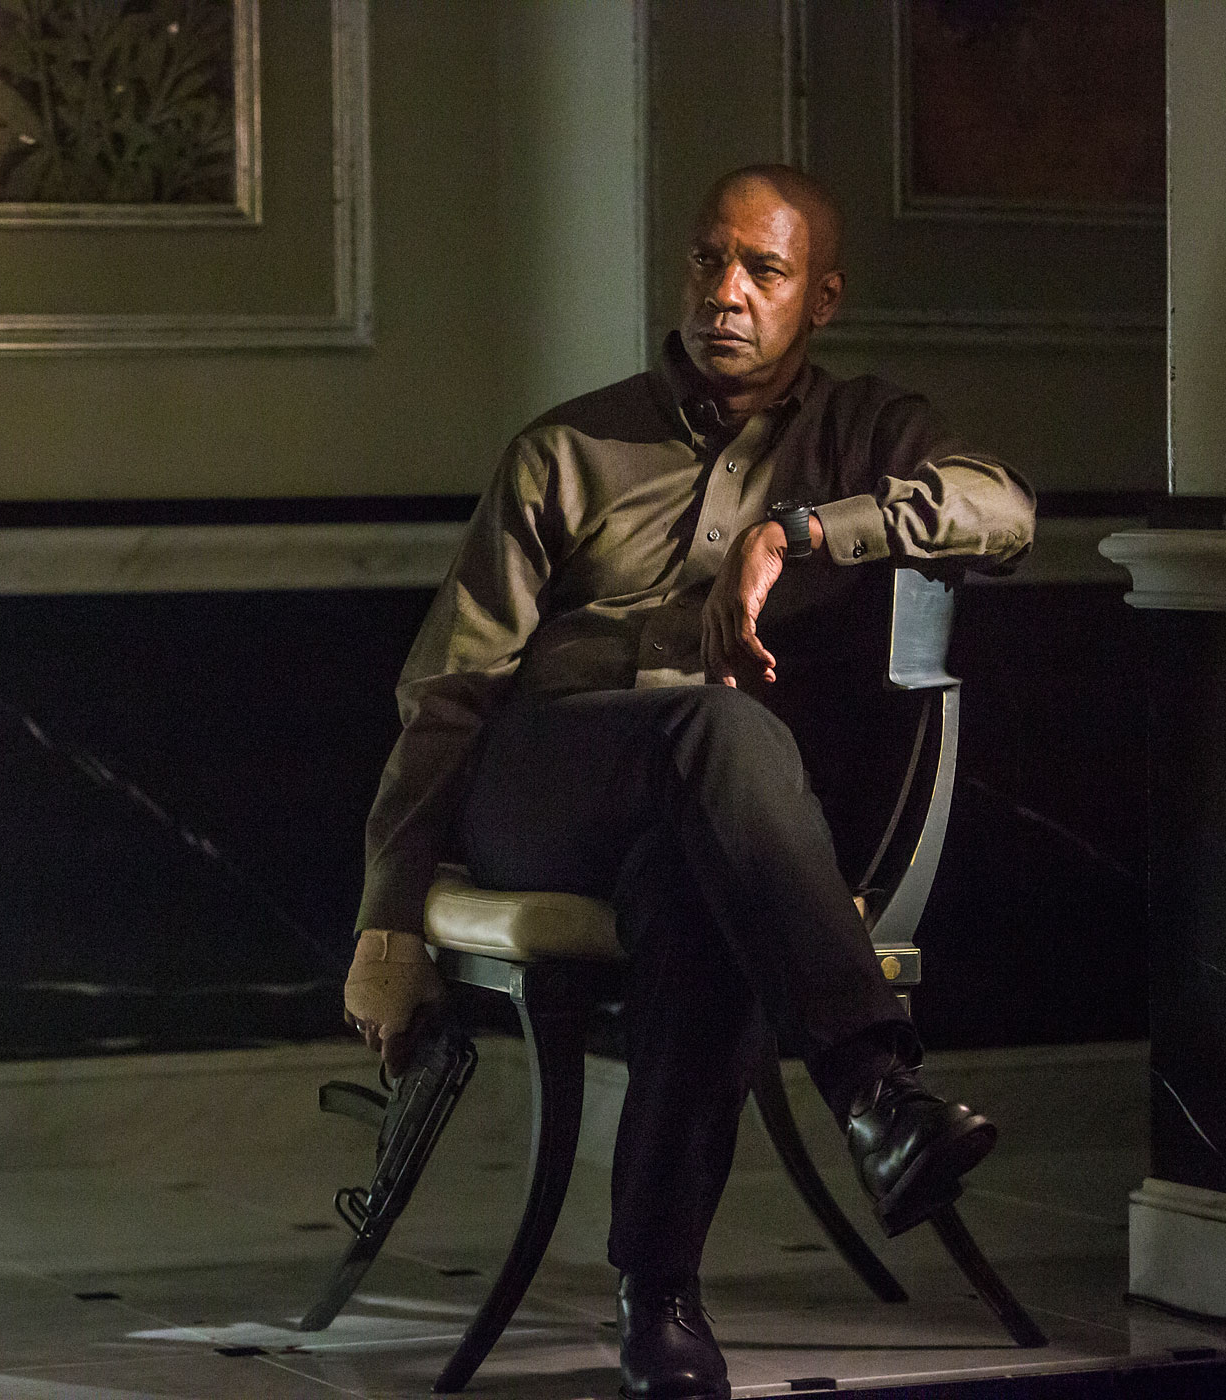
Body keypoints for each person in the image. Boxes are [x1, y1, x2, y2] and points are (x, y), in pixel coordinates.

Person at [341, 165, 1036, 1400]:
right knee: (717, 728)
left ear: (821, 298)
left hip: (715, 808)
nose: (727, 292)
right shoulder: (565, 450)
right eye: (711, 261)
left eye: (764, 270)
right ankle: (875, 1088)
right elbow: (448, 691)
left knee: (695, 881)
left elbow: (1004, 509)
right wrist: (389, 912)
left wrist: (799, 532)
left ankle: (657, 1299)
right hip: (544, 782)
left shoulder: (864, 430)